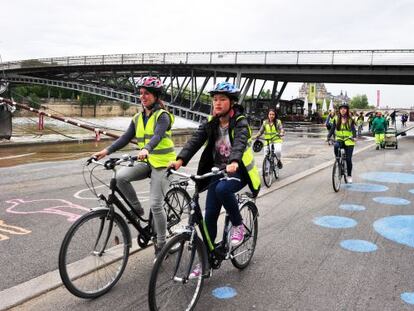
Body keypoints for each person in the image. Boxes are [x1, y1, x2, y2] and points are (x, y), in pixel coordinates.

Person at [169, 81, 261, 277]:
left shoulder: (240, 122)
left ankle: (238, 226)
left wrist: (234, 161)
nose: (217, 103)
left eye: (222, 99)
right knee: (209, 216)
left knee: (222, 190)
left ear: (232, 102)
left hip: (238, 172)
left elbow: (240, 141)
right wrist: (180, 160)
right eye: (215, 100)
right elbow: (195, 139)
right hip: (218, 172)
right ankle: (207, 263)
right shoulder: (211, 123)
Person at [93, 76, 176, 256]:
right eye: (140, 94)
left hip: (163, 164)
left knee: (156, 205)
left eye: (146, 93)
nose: (142, 97)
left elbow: (158, 136)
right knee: (121, 177)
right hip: (146, 161)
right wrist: (105, 151)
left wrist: (146, 148)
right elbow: (124, 138)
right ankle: (137, 209)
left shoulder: (163, 116)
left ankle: (161, 245)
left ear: (155, 96)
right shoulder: (138, 117)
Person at [327, 103, 356, 184]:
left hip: (349, 141)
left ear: (347, 110)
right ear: (339, 110)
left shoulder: (350, 119)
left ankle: (349, 175)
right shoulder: (336, 118)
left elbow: (353, 130)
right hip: (339, 139)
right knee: (336, 145)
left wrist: (354, 136)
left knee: (348, 159)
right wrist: (328, 137)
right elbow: (332, 129)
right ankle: (337, 159)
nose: (343, 110)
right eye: (341, 108)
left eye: (344, 108)